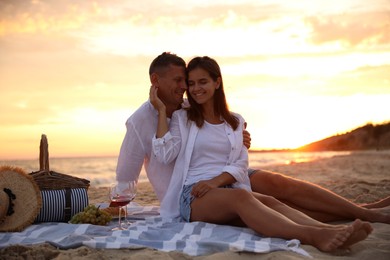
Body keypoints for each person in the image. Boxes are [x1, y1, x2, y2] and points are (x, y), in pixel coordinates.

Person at [115, 52, 390, 224]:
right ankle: (360, 212)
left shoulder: (188, 106)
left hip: (223, 170)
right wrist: (117, 208)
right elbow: (126, 176)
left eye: (184, 80)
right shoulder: (141, 121)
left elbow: (215, 128)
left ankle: (361, 209)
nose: (185, 87)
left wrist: (239, 137)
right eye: (178, 80)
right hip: (190, 188)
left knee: (278, 182)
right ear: (155, 80)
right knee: (267, 207)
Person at [149, 55, 371, 252]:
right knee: (243, 197)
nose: (196, 88)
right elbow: (164, 155)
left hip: (226, 187)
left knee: (271, 201)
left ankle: (326, 228)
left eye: (203, 82)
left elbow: (240, 163)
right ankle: (314, 236)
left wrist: (217, 181)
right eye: (192, 84)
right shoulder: (183, 117)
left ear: (217, 82)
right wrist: (160, 111)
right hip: (195, 194)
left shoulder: (235, 121)